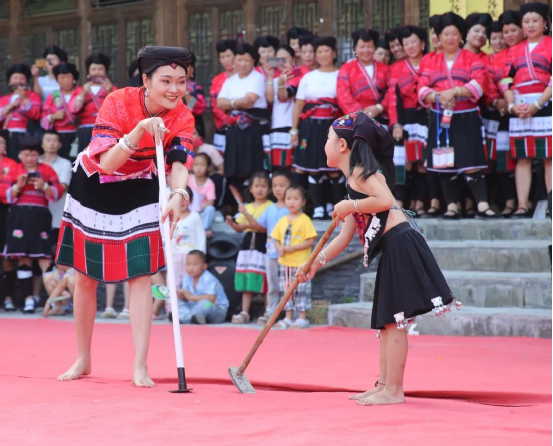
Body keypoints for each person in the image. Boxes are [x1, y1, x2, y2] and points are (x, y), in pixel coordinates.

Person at [298, 111, 461, 406]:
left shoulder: (363, 172)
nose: (324, 144)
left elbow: (385, 201)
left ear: (343, 145)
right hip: (393, 247)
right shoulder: (353, 181)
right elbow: (344, 237)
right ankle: (384, 385)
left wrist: (350, 205)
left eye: (327, 138)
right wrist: (314, 262)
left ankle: (394, 390)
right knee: (388, 322)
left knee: (395, 322)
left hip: (401, 244)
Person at [55, 46, 195, 387]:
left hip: (141, 182)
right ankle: (83, 358)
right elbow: (107, 163)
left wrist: (178, 194)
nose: (175, 89)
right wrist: (140, 130)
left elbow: (179, 162)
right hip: (95, 183)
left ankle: (140, 365)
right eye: (166, 81)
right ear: (146, 80)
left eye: (181, 81)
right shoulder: (117, 101)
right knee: (85, 277)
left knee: (141, 275)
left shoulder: (182, 115)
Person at [418, 12, 498, 220]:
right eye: (446, 34)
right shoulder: (429, 61)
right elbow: (422, 89)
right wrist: (439, 96)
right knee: (445, 161)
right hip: (440, 117)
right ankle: (452, 206)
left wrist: (454, 92)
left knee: (472, 160)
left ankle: (482, 205)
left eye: (454, 34)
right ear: (438, 37)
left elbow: (479, 84)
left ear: (461, 36)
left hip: (466, 116)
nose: (450, 38)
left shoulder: (472, 58)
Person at [501, 3, 552, 218]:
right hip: (520, 107)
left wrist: (538, 104)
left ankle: (551, 203)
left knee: (549, 157)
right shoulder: (513, 50)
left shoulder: (550, 45)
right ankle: (522, 204)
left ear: (545, 23)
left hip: (545, 103)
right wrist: (512, 105)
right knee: (522, 157)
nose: (530, 25)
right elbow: (505, 80)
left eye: (535, 21)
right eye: (526, 21)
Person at [3, 136, 64, 314]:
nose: (30, 158)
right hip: (19, 217)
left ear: (38, 156)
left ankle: (57, 300)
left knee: (45, 258)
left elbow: (57, 193)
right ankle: (28, 299)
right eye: (26, 155)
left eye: (33, 155)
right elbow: (4, 194)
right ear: (20, 155)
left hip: (40, 216)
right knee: (23, 258)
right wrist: (17, 187)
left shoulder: (47, 170)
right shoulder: (14, 169)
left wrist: (44, 186)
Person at [291, 36, 342, 220]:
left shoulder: (341, 75)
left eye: (326, 50)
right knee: (313, 167)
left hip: (333, 127)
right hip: (310, 126)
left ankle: (336, 206)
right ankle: (319, 206)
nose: (323, 55)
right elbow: (299, 105)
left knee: (334, 168)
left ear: (334, 53)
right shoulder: (308, 77)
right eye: (319, 51)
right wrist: (294, 130)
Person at [239, 170, 291, 325]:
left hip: (289, 254)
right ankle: (271, 313)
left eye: (282, 185)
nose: (278, 189)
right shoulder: (270, 209)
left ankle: (290, 315)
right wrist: (245, 214)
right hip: (271, 253)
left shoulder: (291, 208)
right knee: (272, 286)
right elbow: (257, 226)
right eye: (275, 185)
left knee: (288, 285)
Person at [387, 26, 429, 216]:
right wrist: (396, 124)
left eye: (414, 42)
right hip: (406, 118)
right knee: (405, 162)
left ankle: (420, 202)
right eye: (406, 43)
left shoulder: (431, 61)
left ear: (423, 43)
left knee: (423, 162)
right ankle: (400, 202)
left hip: (427, 117)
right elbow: (393, 98)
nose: (410, 46)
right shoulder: (396, 68)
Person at [217, 43, 269, 191]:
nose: (242, 63)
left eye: (247, 60)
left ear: (253, 61)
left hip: (252, 128)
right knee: (234, 167)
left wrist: (230, 103)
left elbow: (248, 102)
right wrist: (235, 103)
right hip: (233, 128)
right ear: (234, 61)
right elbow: (220, 103)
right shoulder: (230, 81)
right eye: (239, 60)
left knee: (252, 165)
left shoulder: (257, 78)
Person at [226, 172, 273, 324]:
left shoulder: (270, 207)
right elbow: (239, 228)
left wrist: (246, 215)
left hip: (263, 245)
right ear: (251, 189)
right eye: (256, 186)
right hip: (247, 246)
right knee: (246, 279)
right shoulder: (247, 206)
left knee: (265, 280)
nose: (260, 189)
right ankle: (244, 312)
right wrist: (231, 223)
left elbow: (261, 227)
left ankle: (267, 313)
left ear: (269, 189)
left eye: (263, 186)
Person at [485, 15, 519, 217]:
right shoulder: (486, 60)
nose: (498, 41)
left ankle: (511, 202)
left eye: (501, 37)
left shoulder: (512, 55)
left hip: (512, 113)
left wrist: (508, 100)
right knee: (490, 161)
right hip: (491, 115)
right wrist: (494, 100)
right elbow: (486, 84)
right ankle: (492, 201)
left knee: (507, 160)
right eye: (494, 38)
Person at [272, 186, 317, 329]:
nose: (292, 202)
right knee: (286, 290)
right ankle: (288, 317)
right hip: (284, 263)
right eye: (289, 199)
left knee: (301, 290)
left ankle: (302, 317)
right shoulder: (282, 220)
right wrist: (279, 248)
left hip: (300, 264)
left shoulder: (305, 220)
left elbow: (310, 240)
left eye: (296, 199)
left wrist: (293, 248)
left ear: (303, 202)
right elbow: (275, 238)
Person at [338, 29, 389, 126]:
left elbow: (391, 91)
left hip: (381, 117)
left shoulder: (385, 69)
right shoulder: (346, 68)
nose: (366, 50)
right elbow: (343, 95)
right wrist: (360, 114)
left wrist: (379, 107)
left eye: (369, 47)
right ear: (355, 48)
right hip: (356, 120)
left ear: (374, 48)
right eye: (362, 47)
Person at [74, 53, 116, 154]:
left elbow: (118, 109)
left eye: (100, 69)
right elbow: (74, 109)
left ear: (106, 72)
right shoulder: (81, 89)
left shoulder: (113, 89)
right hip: (86, 129)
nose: (97, 72)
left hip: (105, 128)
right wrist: (83, 93)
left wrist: (110, 91)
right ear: (88, 72)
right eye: (93, 69)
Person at [174, 250, 229, 325]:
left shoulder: (208, 278)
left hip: (215, 308)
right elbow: (187, 298)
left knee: (206, 304)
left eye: (195, 264)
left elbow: (211, 298)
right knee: (177, 303)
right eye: (188, 264)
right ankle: (192, 318)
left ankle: (184, 318)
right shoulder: (187, 277)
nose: (191, 268)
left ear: (204, 266)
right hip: (195, 306)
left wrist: (190, 297)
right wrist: (182, 296)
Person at [39, 130, 73, 252]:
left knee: (54, 250)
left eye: (54, 141)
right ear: (42, 144)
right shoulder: (35, 161)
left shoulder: (65, 164)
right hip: (36, 211)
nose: (51, 143)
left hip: (57, 212)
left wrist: (44, 186)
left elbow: (63, 187)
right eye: (48, 140)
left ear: (60, 144)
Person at [0, 64, 42, 159]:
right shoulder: (4, 99)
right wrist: (10, 107)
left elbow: (36, 114)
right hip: (7, 136)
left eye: (22, 78)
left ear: (26, 81)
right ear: (9, 81)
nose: (18, 81)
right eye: (15, 78)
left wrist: (24, 100)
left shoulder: (33, 96)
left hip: (26, 135)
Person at [40, 63, 80, 159]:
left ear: (74, 79)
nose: (65, 80)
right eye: (62, 77)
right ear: (57, 80)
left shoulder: (81, 93)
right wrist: (53, 117)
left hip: (77, 134)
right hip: (57, 136)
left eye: (68, 77)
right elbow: (43, 118)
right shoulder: (53, 96)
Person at [266, 45, 297, 169]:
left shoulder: (299, 76)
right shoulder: (274, 79)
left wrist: (282, 83)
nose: (282, 62)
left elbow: (284, 96)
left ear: (293, 59)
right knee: (279, 166)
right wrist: (270, 76)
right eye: (279, 59)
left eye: (285, 59)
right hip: (277, 126)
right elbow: (270, 99)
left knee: (294, 165)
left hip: (292, 125)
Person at [0, 130, 18, 311]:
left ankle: (8, 297)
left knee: (7, 257)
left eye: (1, 142)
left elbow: (16, 189)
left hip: (6, 213)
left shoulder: (12, 165)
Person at [210, 40, 237, 154]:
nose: (225, 60)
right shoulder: (217, 80)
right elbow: (214, 105)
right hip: (224, 126)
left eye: (228, 56)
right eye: (222, 57)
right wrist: (226, 120)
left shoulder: (245, 77)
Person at [189, 154, 217, 234]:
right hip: (187, 211)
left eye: (202, 165)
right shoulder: (188, 178)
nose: (199, 168)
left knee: (210, 209)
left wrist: (198, 209)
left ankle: (203, 229)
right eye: (196, 165)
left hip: (201, 212)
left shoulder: (210, 184)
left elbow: (211, 202)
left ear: (208, 167)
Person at [184, 52, 207, 137]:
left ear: (192, 70)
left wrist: (186, 91)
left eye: (186, 66)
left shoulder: (196, 89)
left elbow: (196, 107)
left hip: (193, 130)